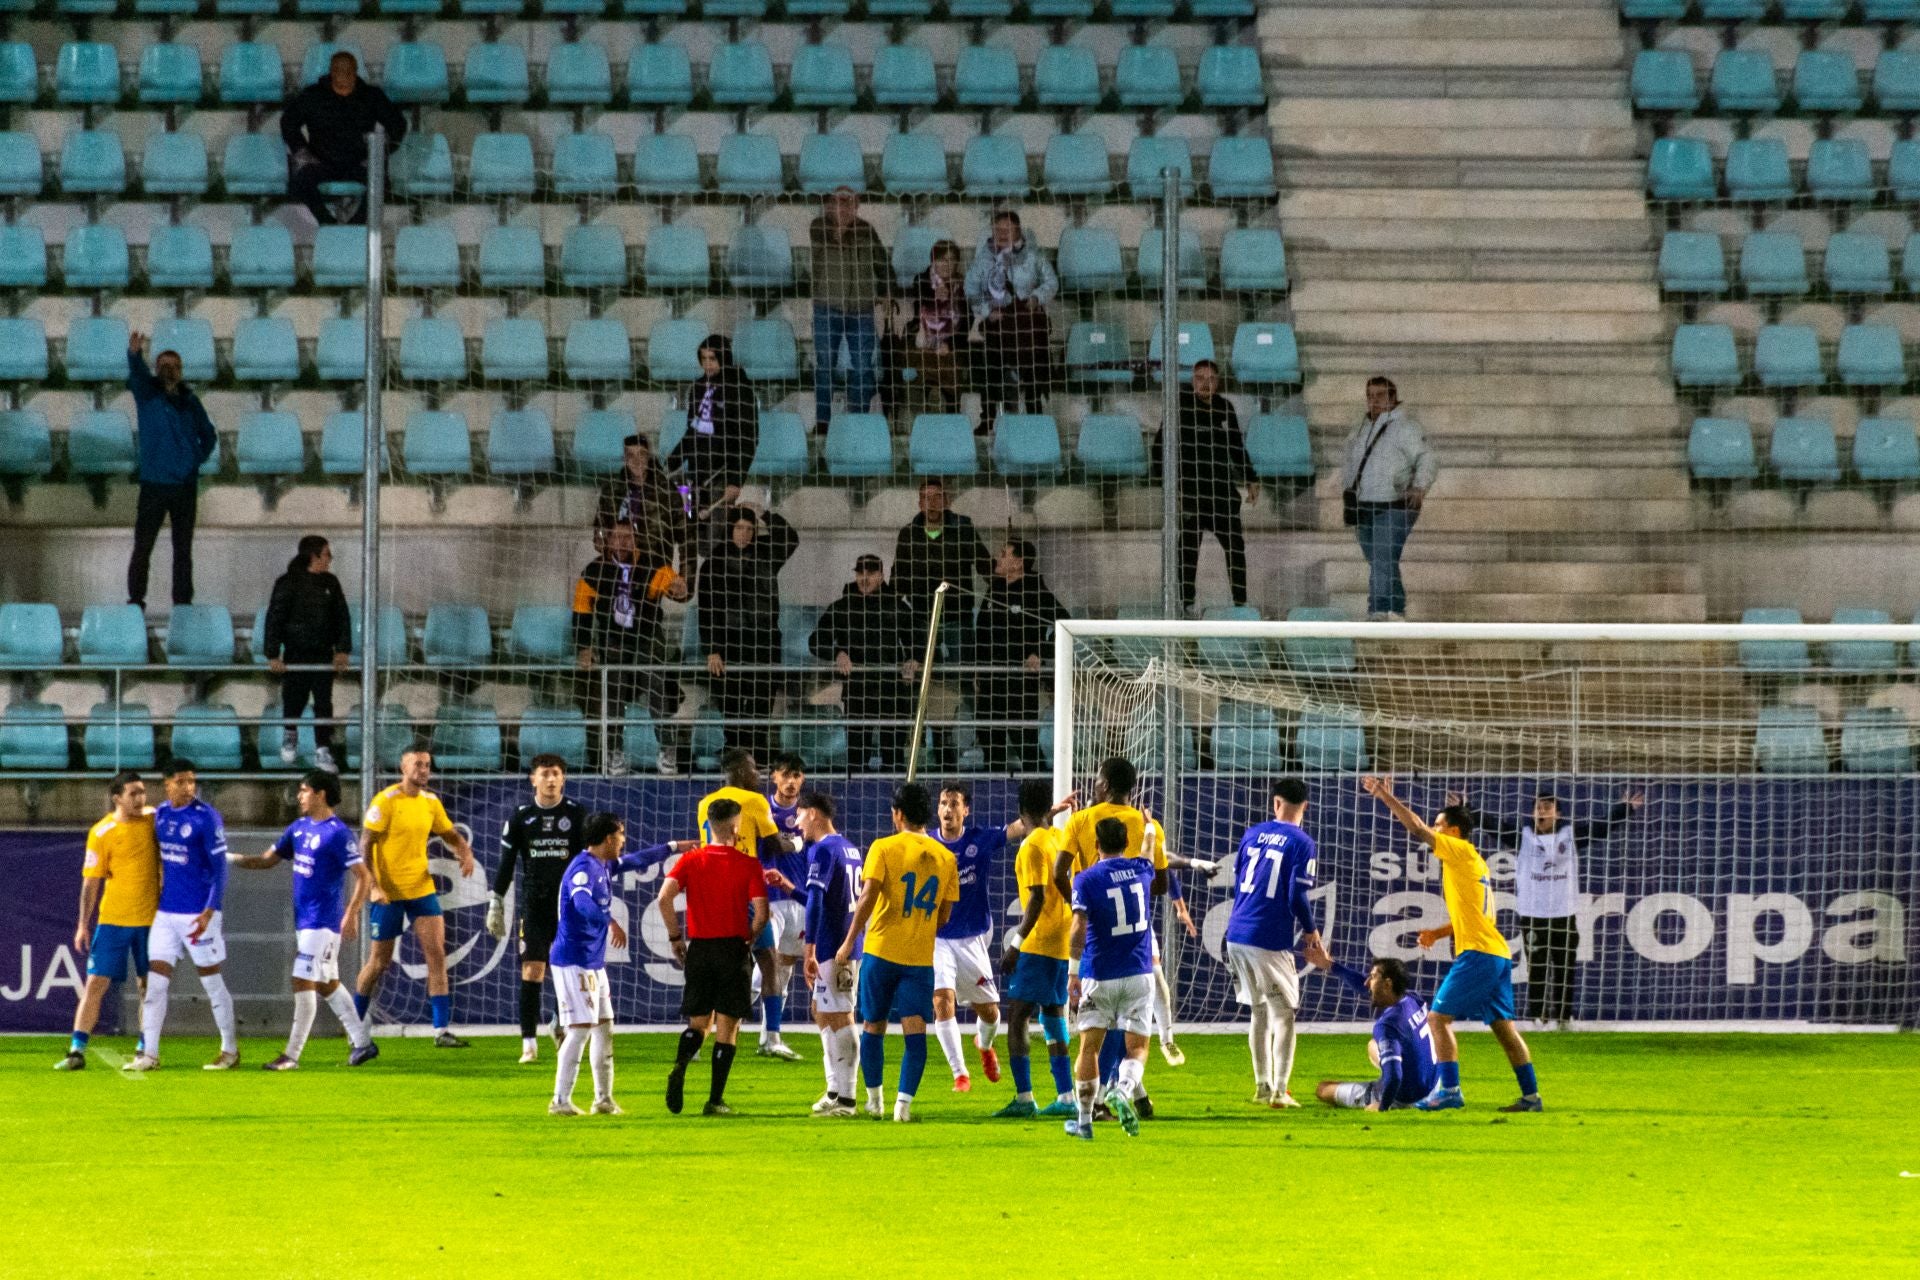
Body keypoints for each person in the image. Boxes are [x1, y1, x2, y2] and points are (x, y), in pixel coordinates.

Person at [1361, 775, 1542, 1113]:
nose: (1434, 829)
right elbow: (1479, 918)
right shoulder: (1473, 861)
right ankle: (1532, 1097)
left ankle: (1450, 1091)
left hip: (1479, 955)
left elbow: (1415, 828)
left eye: (1439, 824)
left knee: (1437, 1018)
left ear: (1455, 831)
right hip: (1497, 953)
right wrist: (1438, 933)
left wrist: (1385, 794)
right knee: (1504, 1030)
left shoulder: (1458, 851)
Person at [1458, 786, 1643, 1027]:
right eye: (1538, 808)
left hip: (1563, 916)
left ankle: (1564, 1018)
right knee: (1536, 969)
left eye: (1547, 808)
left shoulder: (1570, 835)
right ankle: (1537, 1017)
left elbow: (1600, 828)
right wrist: (1466, 808)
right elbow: (1493, 824)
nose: (1542, 812)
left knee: (1564, 969)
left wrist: (1624, 809)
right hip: (1532, 915)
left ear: (1558, 814)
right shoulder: (1522, 835)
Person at [929, 781, 1070, 1092]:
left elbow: (1020, 827)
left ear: (965, 810)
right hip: (938, 937)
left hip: (972, 938)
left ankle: (984, 1044)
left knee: (992, 1013)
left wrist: (1050, 811)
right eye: (943, 803)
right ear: (937, 809)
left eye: (954, 803)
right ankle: (960, 1074)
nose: (948, 809)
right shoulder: (926, 844)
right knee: (942, 1001)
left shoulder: (980, 839)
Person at [232, 770, 378, 1071]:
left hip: (323, 921)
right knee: (327, 983)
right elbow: (266, 860)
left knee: (302, 979)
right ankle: (363, 1043)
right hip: (305, 920)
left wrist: (351, 913)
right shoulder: (298, 828)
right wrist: (228, 858)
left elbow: (364, 877)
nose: (299, 796)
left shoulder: (338, 833)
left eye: (304, 790)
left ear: (321, 794)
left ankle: (291, 1055)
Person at [549, 813, 691, 1116]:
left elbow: (640, 859)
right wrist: (610, 921)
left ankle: (603, 1100)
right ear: (609, 838)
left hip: (592, 961)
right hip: (574, 961)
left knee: (603, 1026)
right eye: (621, 834)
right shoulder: (584, 868)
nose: (624, 840)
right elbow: (582, 904)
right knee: (579, 1029)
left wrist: (675, 846)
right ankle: (560, 1101)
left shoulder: (604, 864)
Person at [834, 782, 958, 1123]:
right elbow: (945, 915)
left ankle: (874, 1101)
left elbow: (867, 897)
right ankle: (902, 1108)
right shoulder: (947, 858)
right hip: (918, 959)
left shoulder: (883, 847)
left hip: (880, 952)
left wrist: (848, 941)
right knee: (915, 1031)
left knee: (873, 1026)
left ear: (897, 814)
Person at [353, 744, 480, 1048]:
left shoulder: (430, 802)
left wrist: (464, 850)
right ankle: (354, 1026)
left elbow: (449, 833)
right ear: (402, 768)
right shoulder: (385, 801)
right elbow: (365, 844)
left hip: (421, 889)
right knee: (379, 963)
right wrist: (373, 886)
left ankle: (441, 1030)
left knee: (436, 955)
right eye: (417, 764)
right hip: (389, 893)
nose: (423, 770)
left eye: (426, 765)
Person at [659, 800, 771, 1116]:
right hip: (732, 950)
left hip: (700, 949)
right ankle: (715, 1100)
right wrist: (749, 936)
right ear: (736, 828)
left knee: (698, 1023)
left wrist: (675, 937)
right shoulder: (748, 864)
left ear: (709, 825)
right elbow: (762, 912)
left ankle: (681, 1065)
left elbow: (664, 897)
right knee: (728, 1028)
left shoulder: (691, 860)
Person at [126, 759, 237, 1071]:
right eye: (181, 782)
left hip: (198, 913)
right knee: (155, 984)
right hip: (166, 913)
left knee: (212, 983)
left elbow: (220, 871)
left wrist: (208, 911)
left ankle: (229, 1050)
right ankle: (150, 1054)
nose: (189, 787)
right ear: (167, 784)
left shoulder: (206, 818)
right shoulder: (160, 814)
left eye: (192, 781)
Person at [1224, 778, 1325, 1108]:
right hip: (1268, 936)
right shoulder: (1302, 842)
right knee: (1284, 1014)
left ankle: (1262, 1086)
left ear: (1275, 803)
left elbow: (1240, 879)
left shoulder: (1252, 834)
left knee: (1259, 1010)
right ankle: (1281, 1091)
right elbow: (1297, 893)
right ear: (1305, 807)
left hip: (1237, 933)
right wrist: (1311, 931)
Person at [486, 755, 590, 1064]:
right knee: (533, 971)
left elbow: (587, 861)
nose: (550, 779)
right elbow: (506, 864)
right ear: (533, 779)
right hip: (534, 904)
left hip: (568, 906)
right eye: (544, 774)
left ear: (563, 779)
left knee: (566, 971)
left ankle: (559, 1023)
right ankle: (528, 1043)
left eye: (556, 774)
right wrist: (496, 902)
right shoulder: (521, 817)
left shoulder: (576, 814)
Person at [696, 748, 798, 1055]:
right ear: (741, 772)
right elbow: (774, 844)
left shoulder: (705, 804)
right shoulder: (755, 802)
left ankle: (698, 1038)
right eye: (754, 768)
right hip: (746, 895)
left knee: (717, 967)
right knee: (769, 962)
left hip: (714, 895)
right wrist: (797, 841)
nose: (758, 774)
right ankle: (773, 1039)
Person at [1063, 817, 1158, 1141]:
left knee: (1089, 1048)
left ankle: (1085, 1121)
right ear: (1125, 841)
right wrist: (1148, 827)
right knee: (1137, 1047)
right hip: (1138, 974)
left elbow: (1077, 928)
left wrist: (1073, 971)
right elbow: (1148, 850)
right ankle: (1125, 1088)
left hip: (1098, 974)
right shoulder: (1142, 870)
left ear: (1095, 845)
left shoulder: (1086, 879)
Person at [57, 771, 158, 1071]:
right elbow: (91, 882)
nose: (140, 798)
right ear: (117, 798)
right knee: (95, 984)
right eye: (133, 793)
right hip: (113, 920)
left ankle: (145, 1046)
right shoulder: (101, 832)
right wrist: (82, 924)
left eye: (142, 792)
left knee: (148, 987)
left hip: (150, 921)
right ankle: (76, 1049)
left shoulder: (153, 820)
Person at [992, 779, 1080, 1119]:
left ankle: (1025, 1097)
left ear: (1020, 810)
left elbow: (1038, 897)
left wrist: (1016, 944)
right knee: (1054, 1015)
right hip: (1062, 942)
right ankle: (1066, 1095)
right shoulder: (1058, 837)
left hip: (1039, 942)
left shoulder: (1030, 846)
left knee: (1017, 1017)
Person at [574, 521, 689, 777]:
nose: (623, 543)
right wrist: (583, 647)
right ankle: (614, 752)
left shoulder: (653, 565)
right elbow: (581, 612)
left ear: (636, 540)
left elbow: (674, 585)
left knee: (656, 687)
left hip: (646, 638)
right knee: (613, 692)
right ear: (609, 540)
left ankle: (667, 748)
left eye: (628, 538)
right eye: (617, 537)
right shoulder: (593, 570)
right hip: (612, 640)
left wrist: (679, 588)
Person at [694, 502, 797, 765]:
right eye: (739, 527)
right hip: (728, 640)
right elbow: (706, 609)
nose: (744, 534)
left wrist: (763, 512)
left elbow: (790, 537)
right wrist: (712, 649)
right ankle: (735, 752)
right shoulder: (713, 563)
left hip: (763, 638)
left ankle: (758, 751)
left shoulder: (767, 554)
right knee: (730, 698)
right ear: (730, 529)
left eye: (750, 528)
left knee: (762, 697)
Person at [1156, 359, 1258, 615]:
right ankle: (1185, 603)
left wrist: (1250, 477)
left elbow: (1236, 447)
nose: (1206, 384)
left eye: (1211, 379)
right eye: (1200, 378)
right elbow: (1159, 449)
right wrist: (1170, 488)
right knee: (1187, 550)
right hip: (1190, 493)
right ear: (1193, 381)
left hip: (1221, 492)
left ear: (1218, 382)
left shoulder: (1225, 408)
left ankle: (1240, 604)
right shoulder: (1180, 408)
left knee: (1236, 547)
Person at [125, 330, 216, 611]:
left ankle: (183, 603)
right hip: (154, 483)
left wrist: (194, 459)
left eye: (173, 366)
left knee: (183, 550)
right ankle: (136, 600)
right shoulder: (147, 394)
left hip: (184, 485)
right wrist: (134, 355)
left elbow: (209, 435)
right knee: (143, 547)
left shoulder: (190, 401)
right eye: (163, 365)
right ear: (156, 368)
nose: (168, 370)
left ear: (181, 371)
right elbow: (138, 375)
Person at [1338, 376, 1436, 621]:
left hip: (1395, 504)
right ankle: (1397, 607)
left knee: (1382, 557)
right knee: (1379, 561)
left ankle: (1378, 611)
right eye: (1370, 396)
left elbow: (1427, 458)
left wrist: (1419, 487)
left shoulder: (1406, 428)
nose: (1374, 401)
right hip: (1363, 504)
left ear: (1392, 398)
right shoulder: (1359, 429)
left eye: (1380, 395)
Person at [810, 553, 919, 772]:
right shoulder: (842, 607)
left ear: (881, 576)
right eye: (861, 573)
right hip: (857, 689)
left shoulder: (896, 606)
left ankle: (896, 801)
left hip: (892, 689)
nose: (865, 578)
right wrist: (837, 653)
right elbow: (816, 641)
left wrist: (914, 660)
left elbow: (920, 639)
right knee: (857, 756)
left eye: (871, 573)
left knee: (893, 755)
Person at [969, 539, 1065, 774]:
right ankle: (995, 789)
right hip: (992, 681)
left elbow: (1065, 623)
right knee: (989, 736)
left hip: (1020, 683)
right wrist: (977, 668)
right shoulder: (994, 590)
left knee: (1024, 740)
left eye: (1004, 554)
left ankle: (1041, 791)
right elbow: (981, 631)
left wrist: (1040, 653)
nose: (998, 558)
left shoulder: (1036, 592)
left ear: (1019, 562)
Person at [280, 50, 405, 225]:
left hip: (359, 162)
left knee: (380, 181)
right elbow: (288, 122)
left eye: (348, 71)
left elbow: (398, 124)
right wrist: (302, 152)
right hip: (321, 162)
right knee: (301, 180)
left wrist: (380, 152)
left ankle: (357, 224)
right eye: (339, 70)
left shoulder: (371, 96)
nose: (344, 75)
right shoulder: (313, 95)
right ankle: (327, 222)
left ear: (355, 71)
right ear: (331, 71)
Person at [799, 790, 865, 1116]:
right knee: (821, 1010)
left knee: (841, 1015)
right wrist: (787, 887)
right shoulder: (849, 848)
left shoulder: (823, 850)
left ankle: (849, 1100)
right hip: (842, 943)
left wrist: (808, 949)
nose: (797, 824)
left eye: (799, 815)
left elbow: (816, 902)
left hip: (834, 946)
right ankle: (834, 1090)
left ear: (813, 813)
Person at [262, 535, 352, 772]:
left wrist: (342, 650)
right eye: (326, 554)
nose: (330, 559)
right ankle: (290, 732)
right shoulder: (287, 582)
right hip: (296, 653)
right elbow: (275, 618)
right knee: (294, 697)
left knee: (324, 702)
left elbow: (342, 617)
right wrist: (273, 653)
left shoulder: (331, 583)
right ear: (313, 556)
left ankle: (323, 748)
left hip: (323, 653)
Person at [964, 209, 1058, 436]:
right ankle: (988, 418)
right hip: (999, 322)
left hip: (1027, 321)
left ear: (1018, 230)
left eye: (1008, 229)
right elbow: (970, 290)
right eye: (998, 229)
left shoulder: (1034, 256)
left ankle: (1036, 414)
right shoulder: (983, 260)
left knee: (1034, 360)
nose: (1002, 233)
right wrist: (987, 310)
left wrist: (1037, 297)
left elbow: (1051, 281)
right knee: (990, 363)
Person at [808, 186, 891, 433]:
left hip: (861, 310)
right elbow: (836, 236)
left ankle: (858, 421)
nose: (841, 207)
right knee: (824, 366)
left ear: (856, 205)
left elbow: (881, 260)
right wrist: (845, 221)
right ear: (828, 205)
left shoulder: (867, 230)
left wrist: (887, 289)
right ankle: (823, 422)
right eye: (836, 202)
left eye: (848, 203)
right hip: (826, 307)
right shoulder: (818, 226)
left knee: (864, 367)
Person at [1308, 955, 1438, 1113]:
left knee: (1323, 1089)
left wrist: (1382, 1105)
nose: (1366, 982)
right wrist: (1331, 965)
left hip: (1406, 1096)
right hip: (1434, 1085)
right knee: (1372, 1045)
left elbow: (1395, 1076)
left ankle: (1384, 1095)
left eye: (1373, 977)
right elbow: (1363, 986)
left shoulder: (1387, 1025)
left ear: (1388, 984)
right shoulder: (1413, 999)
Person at [889, 478, 991, 669]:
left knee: (963, 676)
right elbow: (899, 575)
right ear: (920, 504)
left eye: (937, 497)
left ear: (947, 501)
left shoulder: (963, 529)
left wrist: (1007, 579)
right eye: (926, 498)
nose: (932, 503)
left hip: (958, 618)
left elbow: (984, 564)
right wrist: (889, 605)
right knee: (925, 678)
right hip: (922, 617)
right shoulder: (908, 534)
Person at [752, 752, 811, 1062]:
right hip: (770, 899)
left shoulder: (808, 813)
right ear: (773, 776)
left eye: (797, 775)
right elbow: (772, 846)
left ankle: (770, 1037)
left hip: (799, 898)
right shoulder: (762, 809)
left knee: (783, 972)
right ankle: (704, 1028)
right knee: (763, 973)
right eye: (786, 774)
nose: (791, 781)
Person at [666, 334, 758, 518]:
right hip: (696, 473)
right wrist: (669, 464)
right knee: (691, 527)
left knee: (715, 533)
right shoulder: (698, 387)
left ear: (724, 358)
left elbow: (749, 438)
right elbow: (692, 432)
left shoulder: (740, 389)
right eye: (703, 359)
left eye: (712, 358)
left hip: (722, 475)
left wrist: (736, 480)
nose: (707, 364)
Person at [593, 433, 687, 569]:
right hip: (617, 574)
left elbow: (687, 542)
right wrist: (603, 540)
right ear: (625, 459)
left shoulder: (667, 493)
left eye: (641, 454)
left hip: (655, 575)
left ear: (649, 456)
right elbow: (599, 530)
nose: (637, 461)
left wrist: (685, 582)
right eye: (631, 455)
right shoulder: (611, 491)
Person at [906, 238, 966, 415]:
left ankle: (950, 420)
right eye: (942, 259)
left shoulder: (961, 286)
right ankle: (922, 418)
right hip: (925, 343)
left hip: (950, 346)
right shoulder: (922, 280)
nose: (948, 264)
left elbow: (966, 322)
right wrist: (935, 295)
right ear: (933, 261)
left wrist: (951, 345)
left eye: (952, 260)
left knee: (951, 377)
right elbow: (921, 301)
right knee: (921, 373)